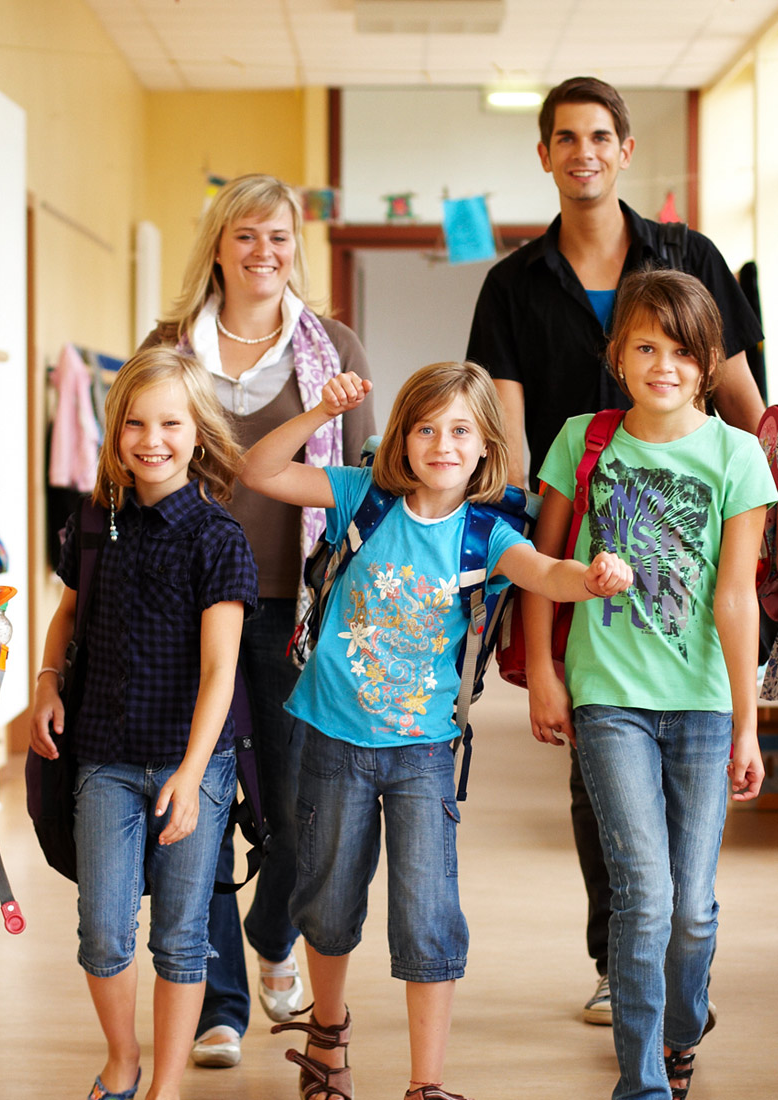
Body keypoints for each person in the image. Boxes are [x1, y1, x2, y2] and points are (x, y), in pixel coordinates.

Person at [240, 361, 633, 1100]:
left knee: (427, 916)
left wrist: (591, 577)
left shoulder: (486, 533)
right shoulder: (365, 497)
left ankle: (427, 1083)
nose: (442, 444)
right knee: (326, 902)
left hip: (422, 753)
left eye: (460, 430)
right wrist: (321, 410)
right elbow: (261, 470)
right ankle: (328, 1040)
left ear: (486, 445)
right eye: (425, 428)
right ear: (401, 438)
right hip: (331, 737)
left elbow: (545, 572)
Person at [465, 75, 766, 1024]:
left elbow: (741, 394)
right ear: (545, 154)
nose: (584, 151)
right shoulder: (512, 284)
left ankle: (664, 967)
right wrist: (519, 576)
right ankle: (618, 956)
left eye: (602, 135)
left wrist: (762, 466)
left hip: (689, 534)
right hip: (577, 534)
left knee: (683, 799)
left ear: (625, 149)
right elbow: (507, 431)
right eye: (566, 137)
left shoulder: (692, 256)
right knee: (600, 782)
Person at [141, 173, 375, 1067]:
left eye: (278, 238)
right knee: (187, 796)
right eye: (245, 237)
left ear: (295, 250)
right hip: (183, 603)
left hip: (296, 605)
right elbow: (141, 455)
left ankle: (271, 930)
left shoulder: (335, 346)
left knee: (300, 809)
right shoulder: (171, 346)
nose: (262, 254)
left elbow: (353, 489)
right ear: (218, 247)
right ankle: (221, 1004)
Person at [523, 268, 774, 1100]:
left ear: (707, 362)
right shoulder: (582, 440)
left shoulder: (738, 454)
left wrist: (746, 723)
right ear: (618, 356)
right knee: (644, 894)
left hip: (702, 704)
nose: (662, 365)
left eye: (680, 350)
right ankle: (642, 1084)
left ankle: (679, 1027)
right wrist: (544, 676)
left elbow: (737, 597)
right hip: (610, 699)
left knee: (694, 908)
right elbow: (541, 567)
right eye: (644, 347)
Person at [29, 347, 259, 1100]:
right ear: (115, 429)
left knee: (182, 936)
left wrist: (193, 778)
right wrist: (47, 684)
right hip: (103, 757)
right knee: (102, 929)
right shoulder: (96, 522)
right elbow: (68, 612)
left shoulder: (217, 536)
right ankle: (121, 1058)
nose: (150, 438)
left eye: (170, 423)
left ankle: (163, 1085)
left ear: (199, 434)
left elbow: (222, 670)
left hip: (192, 762)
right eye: (134, 422)